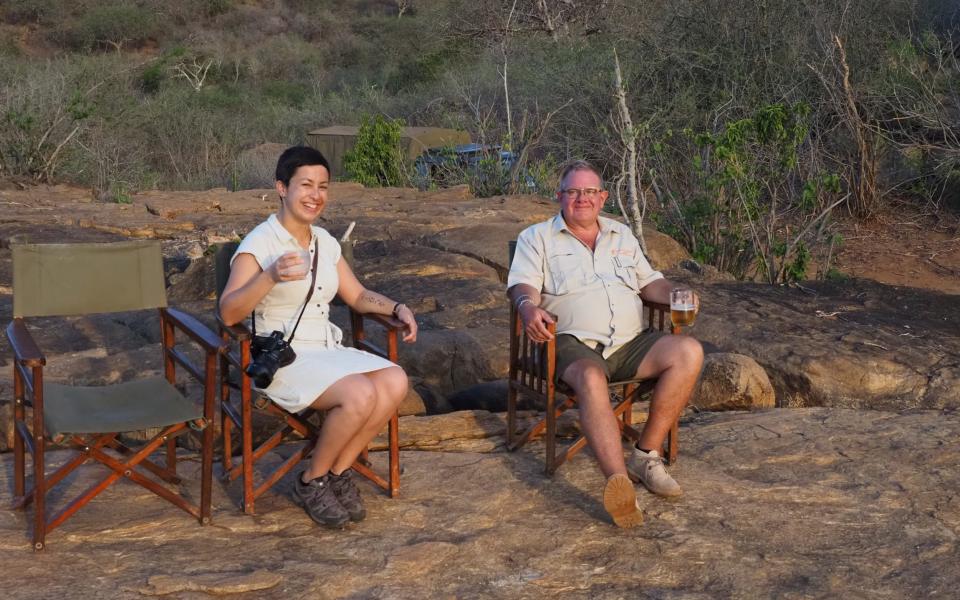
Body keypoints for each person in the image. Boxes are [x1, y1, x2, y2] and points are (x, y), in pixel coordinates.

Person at [220, 146, 417, 529]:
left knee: (395, 380)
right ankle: (311, 480)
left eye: (323, 186)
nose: (315, 195)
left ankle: (338, 472)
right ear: (281, 187)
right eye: (305, 185)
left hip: (326, 349)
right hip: (284, 359)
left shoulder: (324, 242)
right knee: (359, 393)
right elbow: (228, 313)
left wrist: (396, 307)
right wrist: (270, 276)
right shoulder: (260, 244)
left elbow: (357, 296)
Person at [507, 160, 703, 528]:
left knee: (689, 351)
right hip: (569, 342)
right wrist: (527, 307)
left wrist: (677, 291)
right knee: (592, 378)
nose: (582, 198)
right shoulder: (538, 238)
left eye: (590, 192)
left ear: (603, 197)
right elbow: (523, 286)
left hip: (629, 343)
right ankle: (618, 484)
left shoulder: (621, 236)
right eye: (573, 191)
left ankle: (645, 456)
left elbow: (650, 285)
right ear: (560, 196)